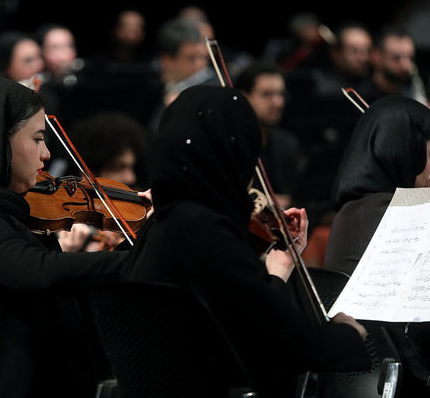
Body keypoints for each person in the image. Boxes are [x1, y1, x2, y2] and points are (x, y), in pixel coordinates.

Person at [122, 85, 370, 397]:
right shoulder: (207, 231)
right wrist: (347, 334)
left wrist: (277, 271)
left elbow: (247, 315)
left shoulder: (161, 224)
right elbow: (284, 343)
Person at [0, 77, 147, 398]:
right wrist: (137, 262)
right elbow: (40, 271)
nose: (47, 154)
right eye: (37, 139)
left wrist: (146, 232)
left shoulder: (5, 209)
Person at [325, 95, 430, 396]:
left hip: (359, 376)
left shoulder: (349, 211)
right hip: (408, 374)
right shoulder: (412, 209)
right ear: (405, 151)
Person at [57, 111, 149, 252]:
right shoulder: (64, 220)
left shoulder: (141, 211)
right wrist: (64, 252)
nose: (131, 178)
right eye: (119, 168)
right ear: (87, 173)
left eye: (131, 167)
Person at [235, 61, 302, 208]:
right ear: (243, 97)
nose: (278, 102)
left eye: (280, 94)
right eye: (267, 94)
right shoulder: (232, 144)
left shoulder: (287, 143)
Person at [147, 17, 214, 138]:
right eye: (191, 58)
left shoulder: (212, 86)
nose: (200, 65)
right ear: (167, 61)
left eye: (202, 57)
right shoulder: (150, 90)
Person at [364, 26, 428, 105]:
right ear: (376, 56)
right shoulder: (362, 95)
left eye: (410, 58)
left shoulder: (416, 86)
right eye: (396, 58)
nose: (406, 66)